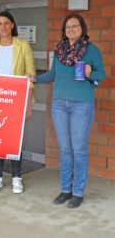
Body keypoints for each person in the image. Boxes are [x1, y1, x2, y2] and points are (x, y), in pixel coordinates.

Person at [35, 13, 105, 208]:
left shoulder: (91, 50)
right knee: (65, 149)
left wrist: (91, 73)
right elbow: (51, 75)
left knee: (79, 151)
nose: (71, 29)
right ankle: (66, 190)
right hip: (59, 105)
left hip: (81, 106)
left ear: (82, 28)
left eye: (75, 26)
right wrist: (33, 78)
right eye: (68, 27)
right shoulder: (59, 51)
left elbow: (102, 75)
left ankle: (78, 192)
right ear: (64, 31)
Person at [0, 11, 36, 194]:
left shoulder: (23, 45)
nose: (3, 27)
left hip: (16, 100)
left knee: (15, 141)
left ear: (13, 25)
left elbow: (31, 75)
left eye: (6, 23)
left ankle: (16, 177)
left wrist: (28, 104)